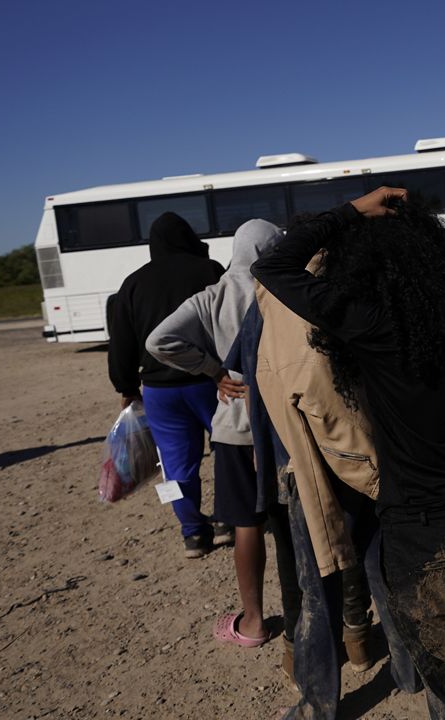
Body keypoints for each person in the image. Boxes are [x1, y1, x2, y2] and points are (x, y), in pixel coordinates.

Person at [251, 187, 445, 720]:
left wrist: (349, 212)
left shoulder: (369, 321)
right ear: (435, 249)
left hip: (427, 538)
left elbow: (273, 266)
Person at [145, 219, 283, 647]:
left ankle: (255, 623)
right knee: (297, 526)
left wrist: (214, 370)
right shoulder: (284, 290)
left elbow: (159, 340)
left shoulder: (213, 296)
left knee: (246, 525)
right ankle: (311, 619)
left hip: (235, 429)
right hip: (286, 427)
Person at [106, 211, 226, 558]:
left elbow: (122, 344)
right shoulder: (209, 270)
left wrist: (126, 387)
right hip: (212, 382)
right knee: (228, 450)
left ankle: (192, 533)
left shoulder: (133, 283)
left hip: (160, 393)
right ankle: (231, 519)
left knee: (175, 466)